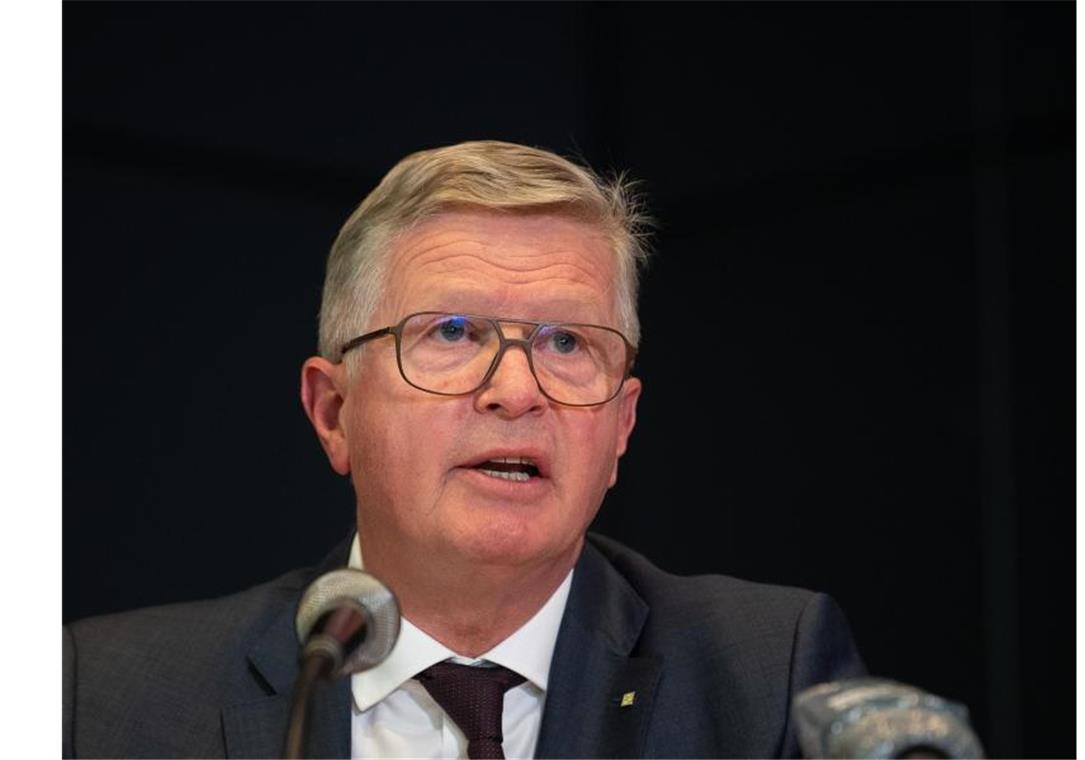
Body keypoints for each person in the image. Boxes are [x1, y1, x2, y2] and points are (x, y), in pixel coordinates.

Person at [63, 140, 866, 759]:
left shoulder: (768, 679)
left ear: (621, 428)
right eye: (452, 331)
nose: (517, 390)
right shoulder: (102, 698)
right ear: (333, 410)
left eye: (566, 342)